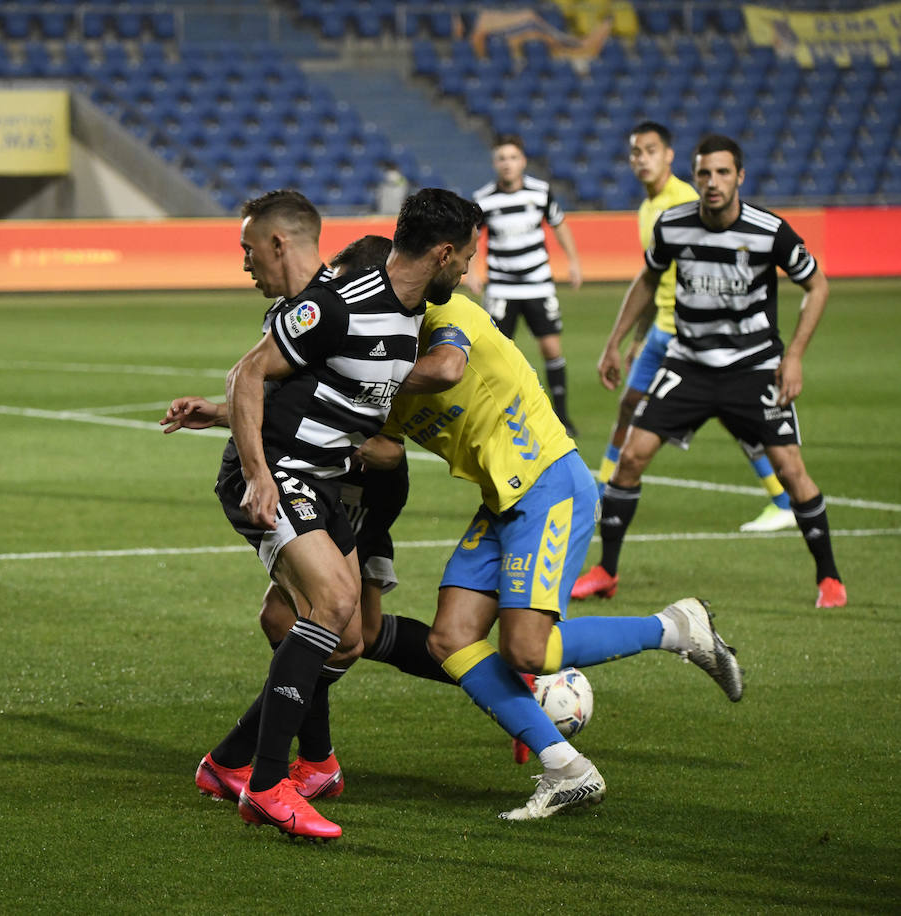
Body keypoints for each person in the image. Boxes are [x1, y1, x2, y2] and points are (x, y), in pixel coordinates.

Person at [356, 266, 745, 821]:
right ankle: (568, 769)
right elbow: (389, 449)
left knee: (527, 651)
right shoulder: (381, 355)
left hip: (548, 483)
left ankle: (675, 628)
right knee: (450, 637)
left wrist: (367, 376)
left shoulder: (447, 315)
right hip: (503, 500)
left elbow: (445, 369)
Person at [170, 188, 480, 840]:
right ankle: (268, 784)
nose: (469, 271)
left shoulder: (407, 316)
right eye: (468, 256)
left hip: (324, 477)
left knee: (345, 637)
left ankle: (233, 763)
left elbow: (315, 390)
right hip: (282, 471)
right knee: (334, 603)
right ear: (445, 252)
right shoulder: (342, 303)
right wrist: (257, 476)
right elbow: (250, 374)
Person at [573, 135, 846, 609]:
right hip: (690, 365)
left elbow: (817, 285)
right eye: (705, 173)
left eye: (723, 172)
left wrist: (795, 355)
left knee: (790, 469)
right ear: (694, 176)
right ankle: (606, 571)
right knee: (632, 456)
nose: (713, 182)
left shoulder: (769, 230)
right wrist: (614, 343)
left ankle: (829, 578)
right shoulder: (673, 224)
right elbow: (648, 278)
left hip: (754, 368)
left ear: (740, 176)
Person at [596, 121, 794, 534]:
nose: (641, 159)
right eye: (635, 152)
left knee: (735, 419)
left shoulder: (689, 200)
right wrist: (634, 339)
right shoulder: (648, 208)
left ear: (669, 155)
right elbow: (654, 279)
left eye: (650, 150)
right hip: (662, 330)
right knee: (630, 403)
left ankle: (782, 497)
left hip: (692, 337)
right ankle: (604, 487)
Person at [469, 134, 582, 435]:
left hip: (537, 284)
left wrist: (573, 261)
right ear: (495, 163)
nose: (507, 164)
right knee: (496, 354)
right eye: (501, 158)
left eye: (512, 157)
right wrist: (472, 271)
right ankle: (497, 417)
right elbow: (471, 237)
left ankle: (562, 417)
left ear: (523, 161)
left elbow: (560, 225)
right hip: (502, 287)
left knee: (551, 348)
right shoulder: (483, 198)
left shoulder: (541, 192)